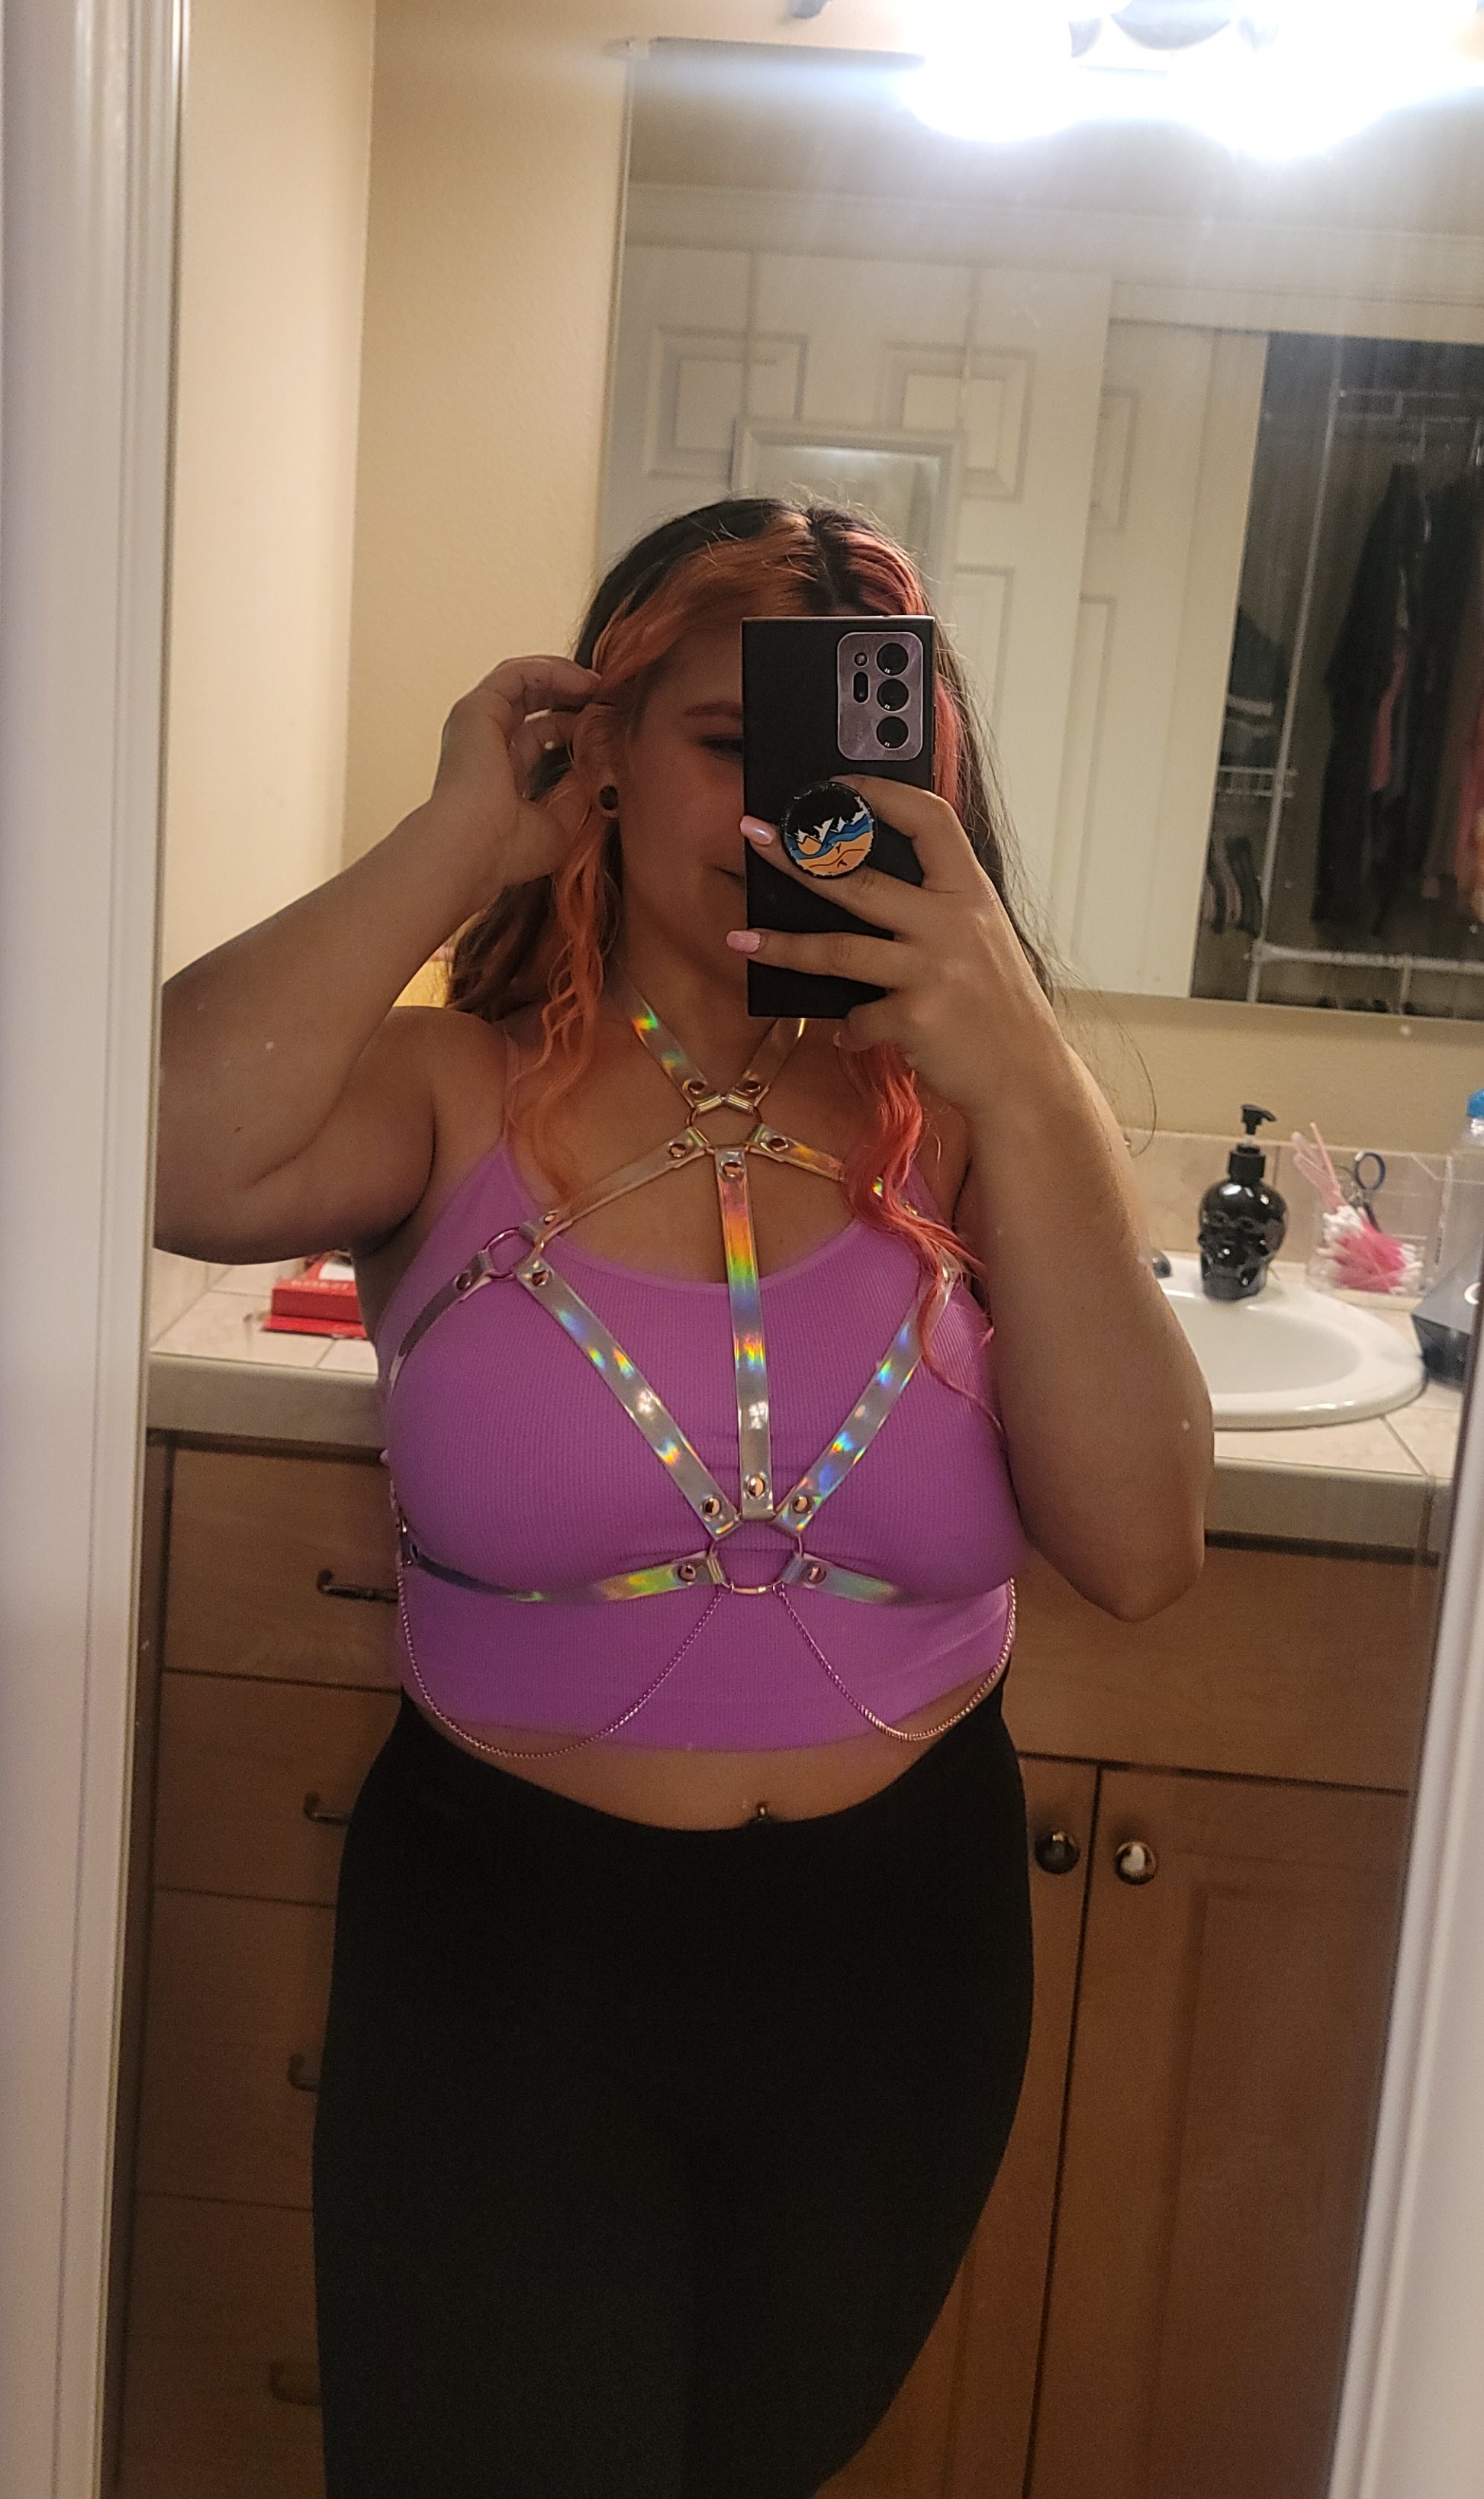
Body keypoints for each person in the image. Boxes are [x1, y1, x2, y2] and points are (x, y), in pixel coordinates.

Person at [156, 498, 1210, 2499]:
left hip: (901, 1970)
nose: (793, 805)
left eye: (862, 758)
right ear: (607, 751)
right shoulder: (451, 1095)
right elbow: (151, 1139)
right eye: (732, 741)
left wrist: (1020, 1056)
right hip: (507, 1965)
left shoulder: (970, 1131)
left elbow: (1145, 1551)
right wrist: (460, 834)